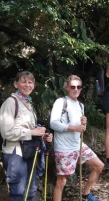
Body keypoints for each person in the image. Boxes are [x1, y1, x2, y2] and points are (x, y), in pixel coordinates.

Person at [0, 71, 53, 201]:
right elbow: (6, 132)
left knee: (30, 191)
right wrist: (31, 132)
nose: (27, 85)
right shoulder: (11, 103)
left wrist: (43, 136)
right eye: (23, 81)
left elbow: (30, 129)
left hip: (29, 152)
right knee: (18, 193)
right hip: (15, 154)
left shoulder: (28, 104)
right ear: (16, 84)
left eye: (30, 82)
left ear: (34, 85)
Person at [50, 75, 104, 201]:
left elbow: (80, 127)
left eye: (78, 87)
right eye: (73, 87)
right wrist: (74, 128)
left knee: (99, 166)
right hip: (64, 148)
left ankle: (85, 194)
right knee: (62, 181)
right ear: (67, 87)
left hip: (77, 145)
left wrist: (83, 124)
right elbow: (53, 123)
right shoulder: (60, 102)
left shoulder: (80, 105)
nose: (76, 89)